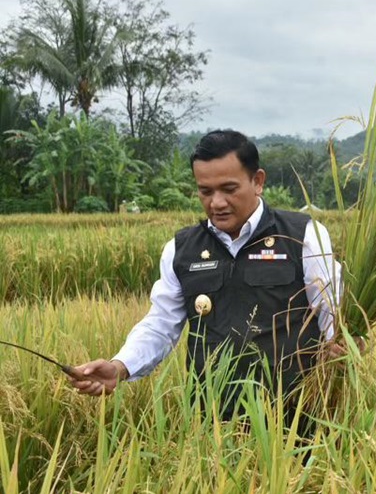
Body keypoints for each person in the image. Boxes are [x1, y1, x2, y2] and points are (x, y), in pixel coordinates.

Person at [68, 129, 351, 423]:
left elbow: (334, 312)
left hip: (297, 416)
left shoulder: (303, 236)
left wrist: (344, 346)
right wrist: (120, 366)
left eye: (229, 189)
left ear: (258, 182)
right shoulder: (182, 249)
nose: (216, 202)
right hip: (213, 419)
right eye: (205, 191)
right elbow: (161, 324)